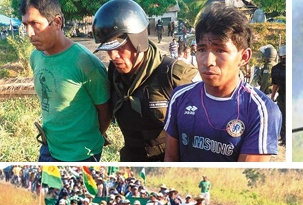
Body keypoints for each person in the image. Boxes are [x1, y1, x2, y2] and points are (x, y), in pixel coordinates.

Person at [163, 2, 282, 162]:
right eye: (202, 49)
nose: (208, 61)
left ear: (244, 57)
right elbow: (170, 158)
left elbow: (240, 177)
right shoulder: (180, 97)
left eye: (220, 50)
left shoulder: (261, 111)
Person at [92, 0, 198, 162]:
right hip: (131, 159)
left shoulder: (174, 74)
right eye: (108, 50)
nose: (113, 57)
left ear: (138, 41)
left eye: (118, 47)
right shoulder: (114, 75)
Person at [21, 0, 110, 162]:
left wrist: (87, 140)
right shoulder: (35, 57)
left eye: (35, 23)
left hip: (82, 155)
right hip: (49, 147)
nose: (29, 33)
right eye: (25, 24)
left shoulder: (85, 63)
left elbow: (105, 111)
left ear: (57, 22)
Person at [271, 45, 286, 145]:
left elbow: (275, 85)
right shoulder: (276, 69)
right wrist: (272, 97)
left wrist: (272, 97)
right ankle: (285, 138)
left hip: (282, 96)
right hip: (283, 96)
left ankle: (285, 138)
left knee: (283, 117)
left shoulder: (276, 68)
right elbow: (275, 84)